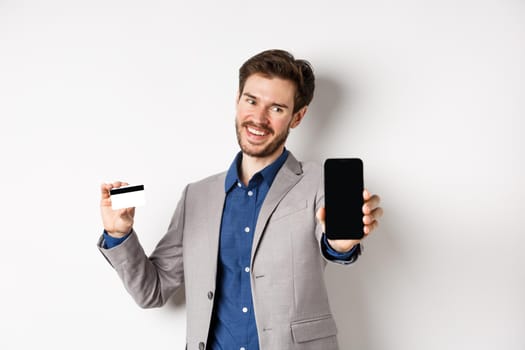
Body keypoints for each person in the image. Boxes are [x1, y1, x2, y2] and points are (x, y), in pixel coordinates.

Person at [98, 49, 383, 350]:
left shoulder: (317, 183)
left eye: (276, 108)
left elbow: (334, 243)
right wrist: (120, 234)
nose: (258, 119)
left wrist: (340, 245)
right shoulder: (196, 195)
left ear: (297, 116)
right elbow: (152, 292)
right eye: (252, 101)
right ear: (237, 100)